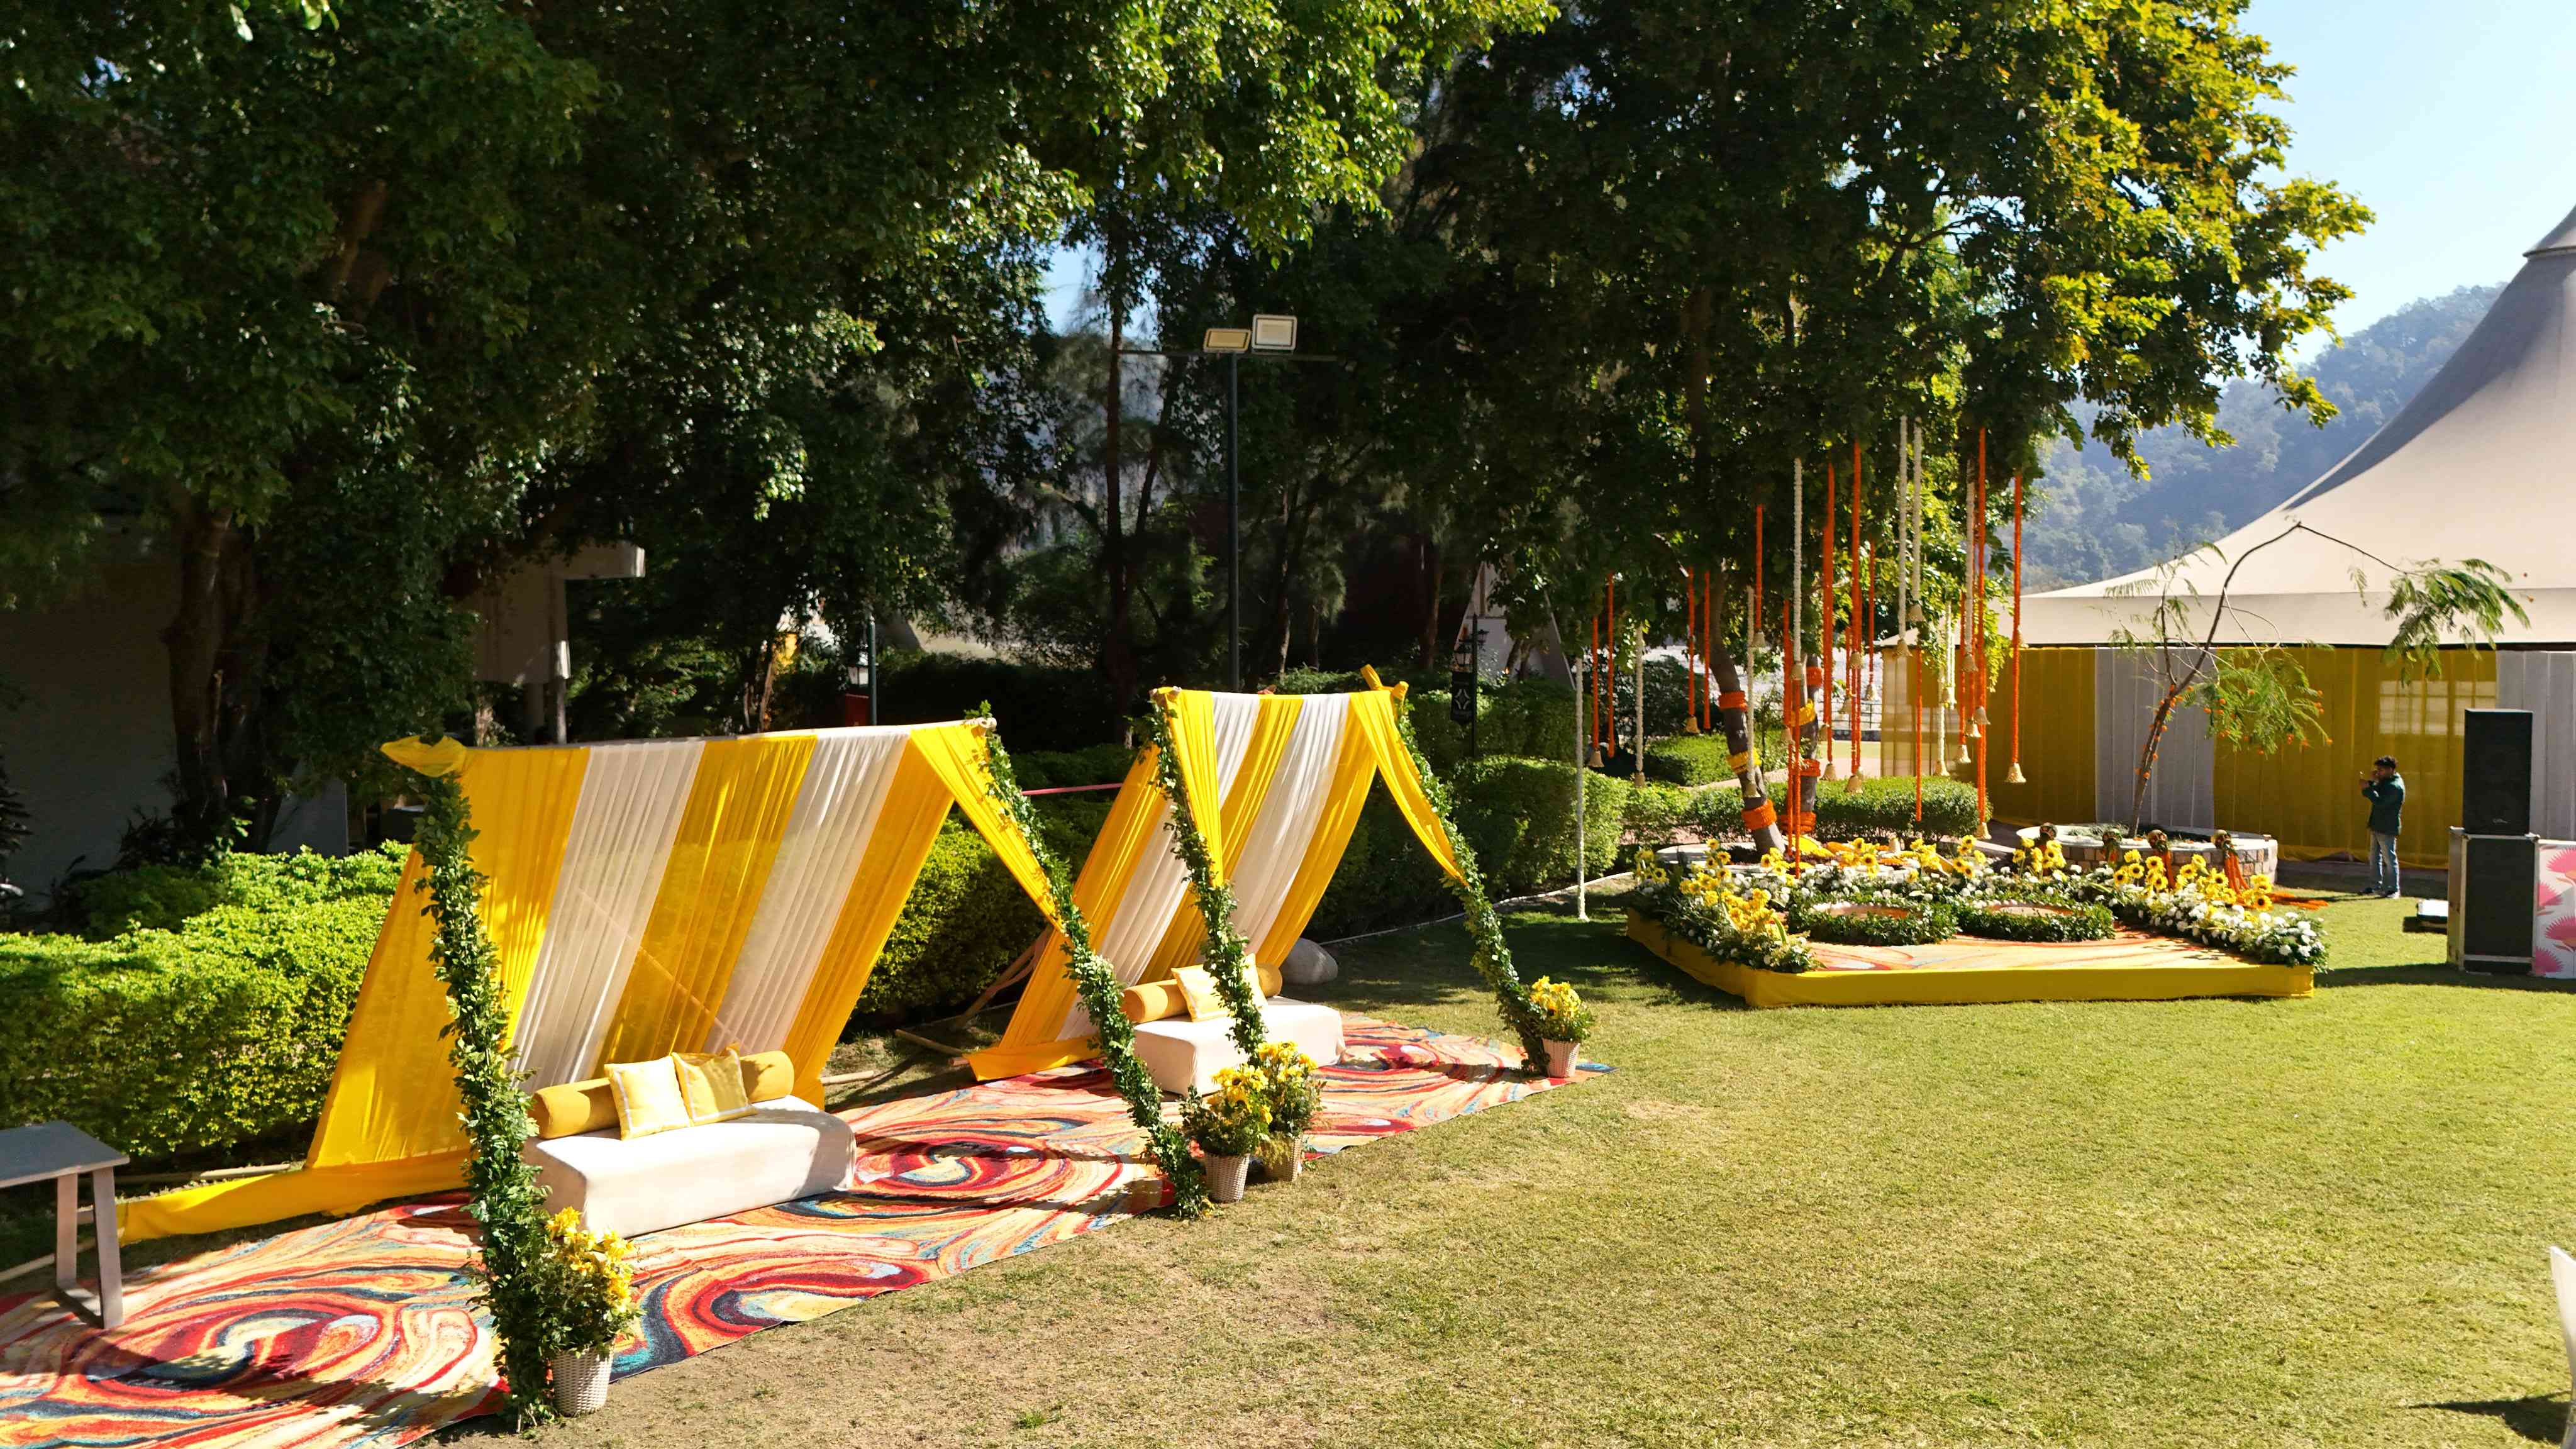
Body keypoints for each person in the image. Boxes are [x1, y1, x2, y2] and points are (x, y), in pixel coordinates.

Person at [2359, 755, 2406, 897]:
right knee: (2374, 857)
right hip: (2377, 825)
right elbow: (2376, 790)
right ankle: (2375, 886)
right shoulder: (2386, 781)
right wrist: (2372, 783)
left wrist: (2368, 789)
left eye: (2381, 770)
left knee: (2389, 859)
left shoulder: (2395, 786)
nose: (2378, 772)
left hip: (2387, 827)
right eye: (2377, 769)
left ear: (2391, 770)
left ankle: (2393, 889)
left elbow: (2380, 801)